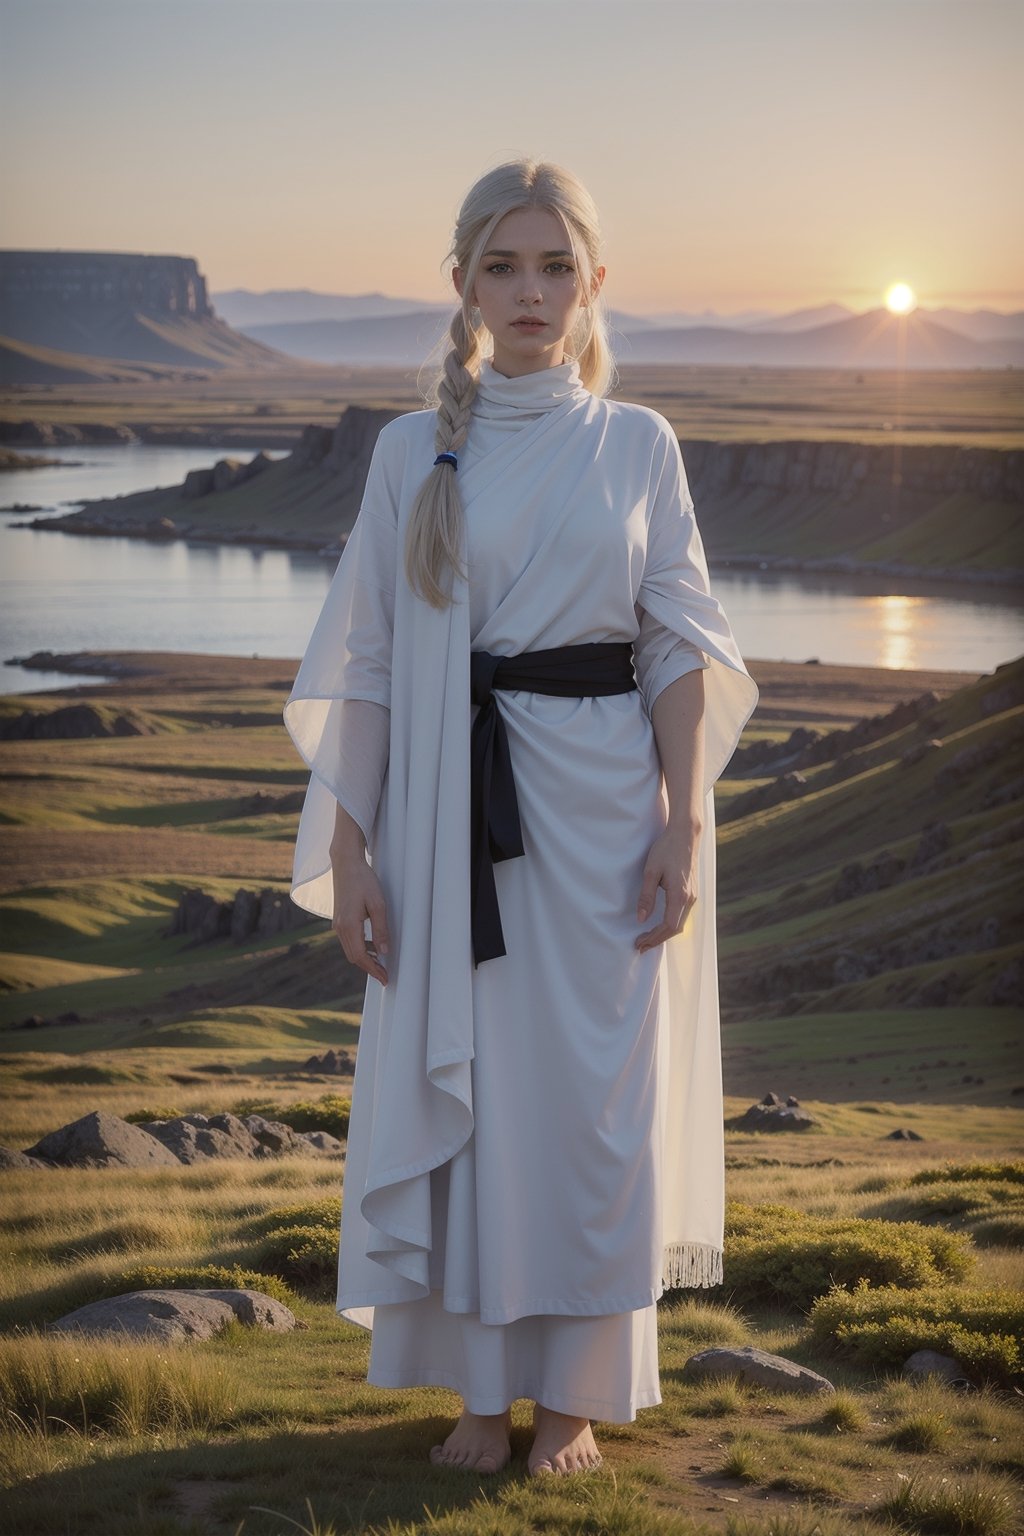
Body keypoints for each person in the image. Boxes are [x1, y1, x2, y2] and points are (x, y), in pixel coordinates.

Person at [283, 158, 758, 1478]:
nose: (530, 290)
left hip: (603, 821)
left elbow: (675, 646)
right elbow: (372, 662)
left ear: (594, 281)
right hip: (445, 823)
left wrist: (683, 824)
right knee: (474, 1098)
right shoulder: (406, 451)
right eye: (503, 265)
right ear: (463, 286)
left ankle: (581, 1405)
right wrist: (352, 845)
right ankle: (482, 1404)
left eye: (555, 264)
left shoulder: (637, 444)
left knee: (590, 1116)